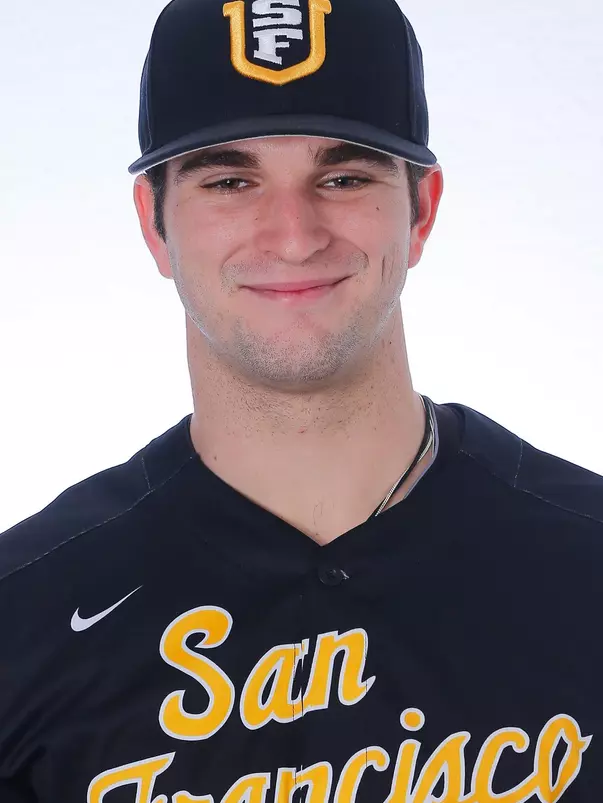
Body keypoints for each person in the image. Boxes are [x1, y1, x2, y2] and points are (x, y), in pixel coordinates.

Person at [1, 0, 602, 800]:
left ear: (420, 210)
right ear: (154, 222)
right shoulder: (26, 616)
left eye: (343, 176)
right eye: (229, 180)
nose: (292, 234)